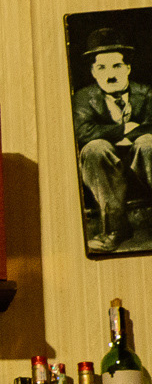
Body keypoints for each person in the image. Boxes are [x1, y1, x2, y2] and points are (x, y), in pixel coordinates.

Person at [72, 26, 152, 251]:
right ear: (93, 72)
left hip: (143, 165)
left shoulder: (146, 93)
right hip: (103, 170)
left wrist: (135, 136)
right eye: (102, 67)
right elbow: (82, 132)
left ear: (128, 68)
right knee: (94, 148)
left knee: (148, 143)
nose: (110, 74)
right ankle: (115, 229)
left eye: (117, 65)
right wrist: (125, 129)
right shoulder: (83, 98)